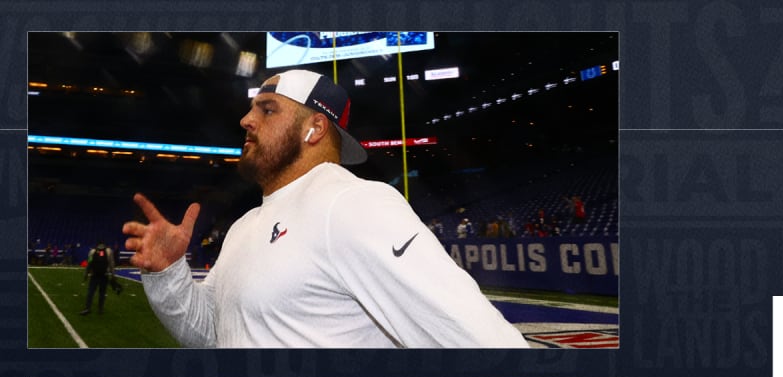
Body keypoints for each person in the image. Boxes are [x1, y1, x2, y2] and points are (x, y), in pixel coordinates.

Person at [124, 70, 526, 348]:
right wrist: (167, 274)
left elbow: (474, 337)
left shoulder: (352, 204)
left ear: (314, 128)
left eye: (267, 109)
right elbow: (214, 333)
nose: (246, 119)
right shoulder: (246, 224)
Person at [80, 241, 119, 315]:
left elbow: (89, 264)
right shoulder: (108, 251)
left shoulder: (92, 251)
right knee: (102, 293)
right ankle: (100, 309)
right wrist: (113, 275)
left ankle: (87, 308)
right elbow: (111, 264)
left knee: (90, 292)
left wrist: (86, 275)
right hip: (104, 275)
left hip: (94, 275)